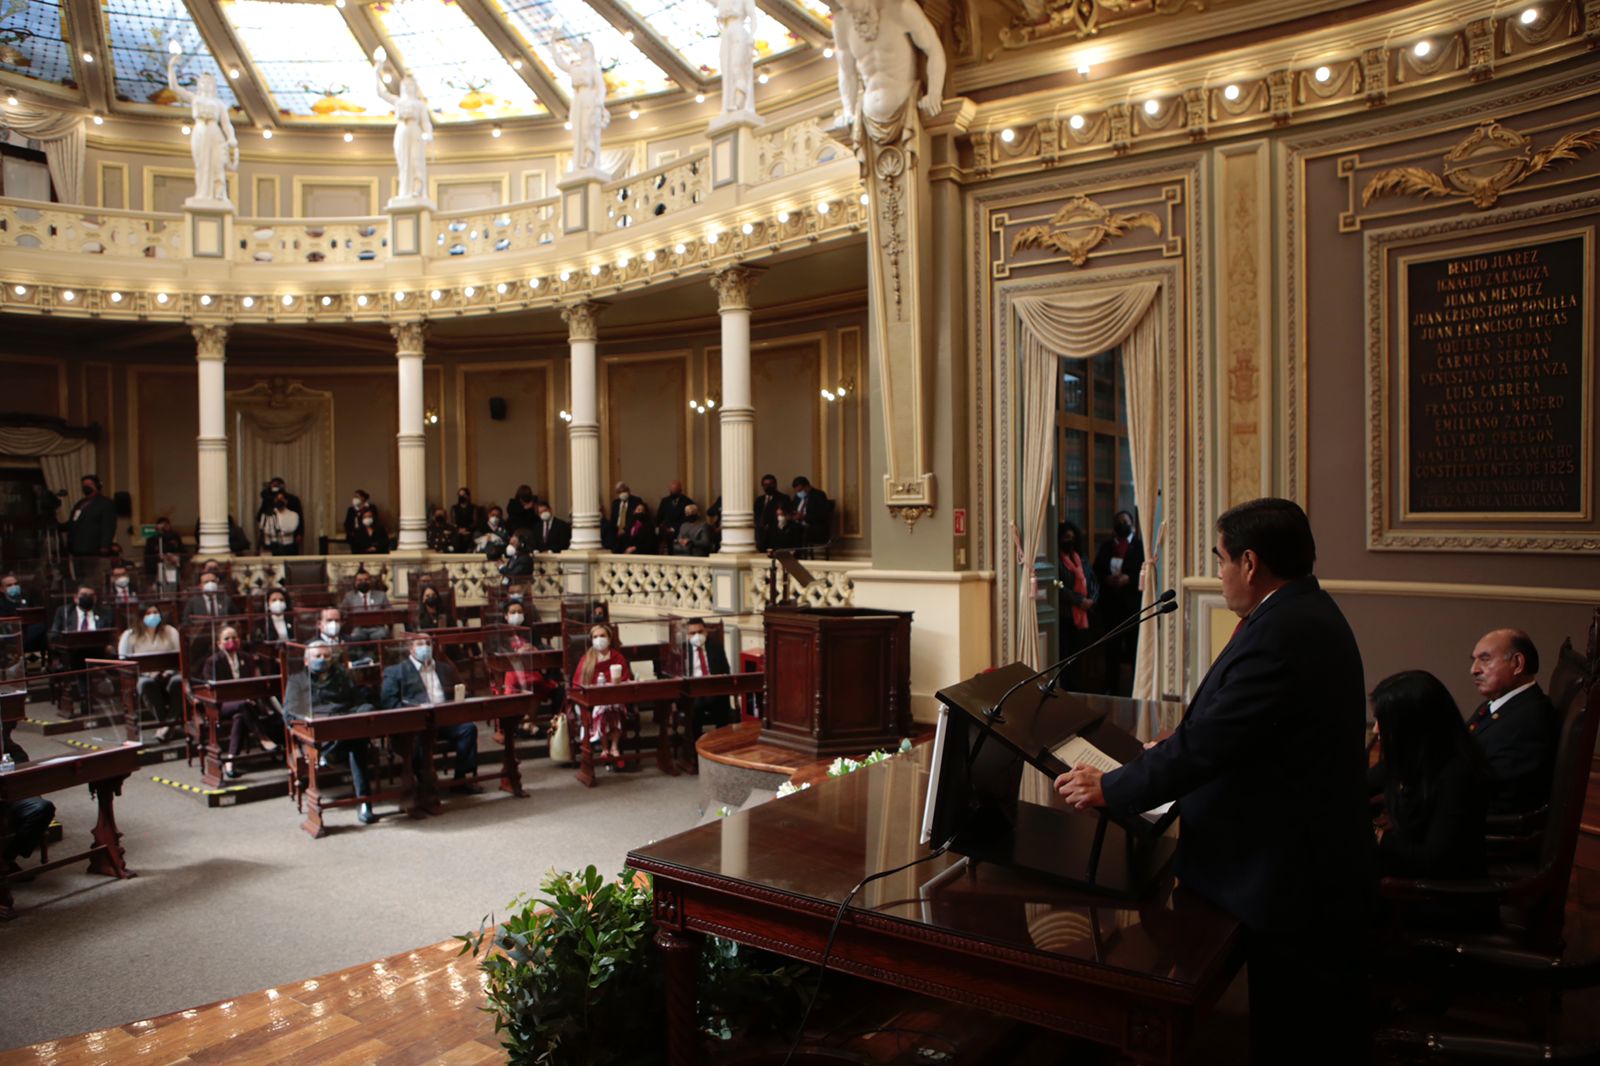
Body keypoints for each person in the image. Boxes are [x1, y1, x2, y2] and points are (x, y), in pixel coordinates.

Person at [1057, 497, 1372, 1064]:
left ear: (1250, 563)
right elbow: (1239, 727)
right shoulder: (1298, 612)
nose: (1219, 572)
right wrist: (1168, 748)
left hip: (1286, 866)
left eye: (1221, 559)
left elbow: (1213, 743)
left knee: (1295, 1031)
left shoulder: (1283, 631)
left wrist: (1113, 787)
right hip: (1295, 846)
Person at [1371, 670, 1491, 881]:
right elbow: (1359, 785)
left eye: (1383, 721)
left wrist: (1377, 835)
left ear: (1413, 725)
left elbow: (1433, 861)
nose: (1375, 730)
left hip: (1437, 899)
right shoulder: (1412, 756)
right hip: (1407, 879)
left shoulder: (1457, 774)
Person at [1465, 628, 1560, 816]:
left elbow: (1500, 796)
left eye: (1485, 659)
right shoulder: (1503, 704)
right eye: (1474, 660)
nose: (1474, 669)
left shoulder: (1530, 720)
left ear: (1517, 663)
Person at [281, 640, 377, 825]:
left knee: (360, 732)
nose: (322, 660)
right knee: (357, 740)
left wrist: (362, 711)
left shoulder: (342, 677)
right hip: (317, 733)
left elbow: (358, 701)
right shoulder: (297, 680)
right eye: (317, 656)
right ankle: (363, 799)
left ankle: (364, 802)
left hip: (346, 724)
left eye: (326, 656)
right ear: (307, 661)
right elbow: (290, 713)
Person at [381, 634, 481, 795]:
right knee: (420, 735)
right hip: (417, 723)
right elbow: (389, 703)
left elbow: (460, 691)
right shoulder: (396, 671)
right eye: (420, 644)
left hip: (444, 719)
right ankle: (424, 781)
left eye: (428, 643)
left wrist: (460, 699)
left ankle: (461, 779)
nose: (425, 647)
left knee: (468, 729)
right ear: (410, 648)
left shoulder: (445, 668)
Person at [201, 624, 277, 779]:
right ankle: (262, 737)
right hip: (221, 705)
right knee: (243, 706)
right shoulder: (212, 661)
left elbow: (253, 682)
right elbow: (210, 687)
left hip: (246, 703)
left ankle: (230, 760)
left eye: (234, 637)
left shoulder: (245, 658)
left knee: (240, 716)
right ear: (219, 643)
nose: (231, 641)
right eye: (227, 638)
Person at [1093, 510, 1145, 695]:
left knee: (1133, 648)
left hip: (1131, 605)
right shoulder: (1107, 546)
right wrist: (1106, 579)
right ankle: (1111, 687)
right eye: (1118, 521)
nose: (1122, 524)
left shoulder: (1139, 546)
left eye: (1125, 521)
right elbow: (1097, 569)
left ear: (1131, 524)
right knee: (1111, 649)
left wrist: (1129, 579)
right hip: (1110, 606)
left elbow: (1145, 570)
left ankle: (1135, 688)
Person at [119, 603, 183, 743]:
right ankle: (166, 724)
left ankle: (166, 726)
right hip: (144, 676)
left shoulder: (170, 631)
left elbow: (180, 656)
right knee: (146, 684)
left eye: (155, 612)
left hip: (169, 674)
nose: (153, 616)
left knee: (178, 682)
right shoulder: (130, 635)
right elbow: (123, 660)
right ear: (141, 616)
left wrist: (168, 671)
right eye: (148, 613)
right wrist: (148, 673)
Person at [575, 622, 631, 768]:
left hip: (615, 697)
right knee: (603, 709)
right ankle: (606, 748)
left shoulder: (617, 657)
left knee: (614, 707)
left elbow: (625, 678)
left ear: (609, 639)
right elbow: (578, 683)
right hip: (594, 700)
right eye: (595, 637)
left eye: (602, 636)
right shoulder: (587, 659)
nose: (599, 639)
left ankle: (614, 746)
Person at [1056, 522, 1098, 692]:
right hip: (1066, 616)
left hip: (1085, 616)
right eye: (1066, 538)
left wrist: (1092, 599)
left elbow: (1093, 581)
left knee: (1081, 658)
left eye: (1073, 538)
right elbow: (1058, 587)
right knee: (1066, 657)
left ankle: (1080, 688)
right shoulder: (1056, 561)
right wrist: (1079, 601)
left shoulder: (1081, 558)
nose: (1070, 541)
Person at [683, 618, 732, 734]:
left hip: (713, 690)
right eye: (693, 633)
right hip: (693, 693)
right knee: (695, 707)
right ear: (687, 636)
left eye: (700, 632)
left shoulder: (716, 647)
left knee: (723, 702)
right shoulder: (682, 651)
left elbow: (726, 670)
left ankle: (720, 741)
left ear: (706, 632)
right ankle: (695, 746)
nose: (697, 636)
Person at [67, 475, 118, 559]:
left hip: (94, 549)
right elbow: (73, 522)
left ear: (97, 486)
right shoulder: (80, 503)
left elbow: (109, 526)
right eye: (84, 485)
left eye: (89, 484)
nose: (86, 487)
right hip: (76, 549)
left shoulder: (106, 503)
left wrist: (105, 546)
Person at [0, 573, 47, 654]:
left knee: (42, 627)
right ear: (2, 589)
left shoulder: (26, 597)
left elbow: (36, 613)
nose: (13, 587)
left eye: (15, 584)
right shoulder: (1, 603)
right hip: (10, 632)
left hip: (29, 630)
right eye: (9, 585)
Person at [340, 571, 391, 643]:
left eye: (366, 580)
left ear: (371, 581)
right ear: (355, 582)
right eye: (360, 580)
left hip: (377, 628)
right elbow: (342, 612)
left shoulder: (381, 595)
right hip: (358, 628)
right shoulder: (349, 596)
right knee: (356, 636)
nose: (363, 582)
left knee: (381, 635)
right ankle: (359, 654)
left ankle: (378, 654)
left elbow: (390, 611)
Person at [142, 516, 186, 586]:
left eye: (166, 525)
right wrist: (158, 558)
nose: (164, 528)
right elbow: (148, 557)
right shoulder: (152, 540)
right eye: (162, 525)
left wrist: (175, 558)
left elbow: (183, 552)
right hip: (157, 570)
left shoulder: (175, 537)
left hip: (173, 567)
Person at [789, 477, 832, 547]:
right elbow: (792, 509)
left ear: (807, 486)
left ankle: (796, 555)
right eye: (797, 491)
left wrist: (803, 517)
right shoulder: (797, 497)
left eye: (800, 490)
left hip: (814, 526)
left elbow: (822, 515)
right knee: (784, 529)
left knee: (794, 531)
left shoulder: (819, 495)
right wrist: (791, 516)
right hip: (798, 525)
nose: (798, 493)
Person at [753, 475, 791, 552]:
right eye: (765, 485)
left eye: (770, 484)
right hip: (761, 532)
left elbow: (787, 514)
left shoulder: (783, 498)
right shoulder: (759, 500)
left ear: (775, 484)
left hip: (776, 532)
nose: (768, 487)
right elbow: (756, 514)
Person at [259, 490, 301, 557]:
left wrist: (276, 531)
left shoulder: (294, 515)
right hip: (270, 546)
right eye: (277, 499)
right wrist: (280, 531)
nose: (279, 501)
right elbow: (266, 530)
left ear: (286, 501)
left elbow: (291, 528)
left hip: (288, 547)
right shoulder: (267, 514)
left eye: (282, 499)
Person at [656, 481, 694, 553]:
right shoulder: (665, 501)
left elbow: (688, 519)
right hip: (665, 532)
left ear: (680, 490)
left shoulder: (687, 501)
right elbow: (659, 516)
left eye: (675, 490)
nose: (673, 492)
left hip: (680, 532)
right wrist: (659, 527)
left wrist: (674, 528)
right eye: (671, 490)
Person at [606, 483, 645, 551]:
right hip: (616, 532)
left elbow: (636, 518)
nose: (622, 493)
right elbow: (613, 519)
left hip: (628, 532)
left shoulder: (636, 501)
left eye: (624, 491)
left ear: (628, 491)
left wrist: (625, 529)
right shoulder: (615, 503)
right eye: (619, 492)